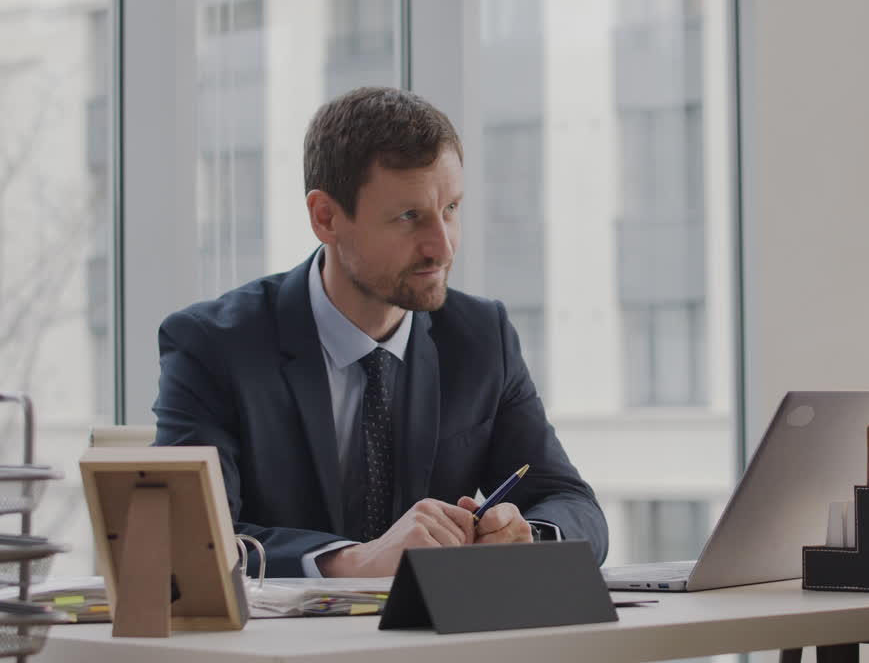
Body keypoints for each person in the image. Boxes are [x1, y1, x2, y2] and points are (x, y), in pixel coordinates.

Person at [154, 87, 608, 577]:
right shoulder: (213, 345)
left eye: (451, 209)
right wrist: (352, 560)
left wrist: (529, 537)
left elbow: (572, 504)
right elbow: (188, 540)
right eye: (409, 217)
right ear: (326, 217)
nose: (442, 248)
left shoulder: (481, 336)